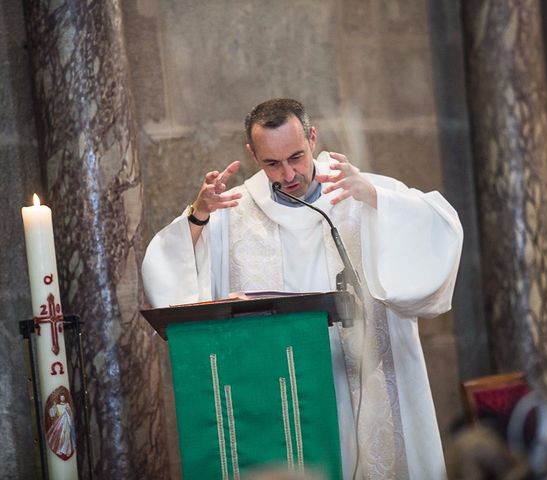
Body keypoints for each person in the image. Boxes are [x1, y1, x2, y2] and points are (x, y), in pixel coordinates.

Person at [142, 98, 463, 479]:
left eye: (296, 156)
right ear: (252, 154)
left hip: (365, 375)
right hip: (286, 385)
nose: (288, 173)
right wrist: (197, 217)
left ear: (312, 138)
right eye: (271, 163)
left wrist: (377, 199)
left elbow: (441, 229)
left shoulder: (359, 189)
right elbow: (169, 275)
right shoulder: (233, 209)